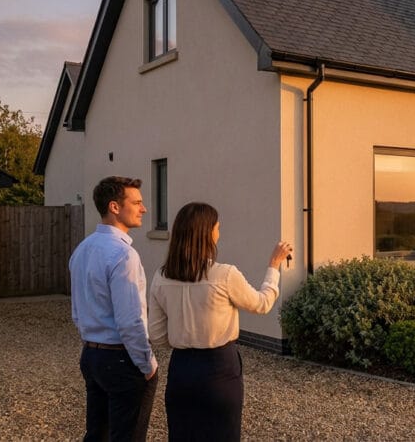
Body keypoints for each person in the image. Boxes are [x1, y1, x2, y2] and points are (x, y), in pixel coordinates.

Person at [148, 202, 291, 441]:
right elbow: (262, 303)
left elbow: (157, 336)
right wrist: (274, 266)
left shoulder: (161, 277)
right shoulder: (225, 274)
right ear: (207, 233)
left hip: (181, 369)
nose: (219, 231)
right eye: (217, 227)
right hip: (219, 369)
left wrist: (185, 337)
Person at [69, 176, 158, 441]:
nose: (144, 209)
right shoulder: (124, 255)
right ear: (115, 207)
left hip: (91, 355)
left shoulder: (82, 250)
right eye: (137, 203)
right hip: (121, 359)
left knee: (97, 434)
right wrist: (147, 364)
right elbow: (130, 320)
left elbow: (77, 311)